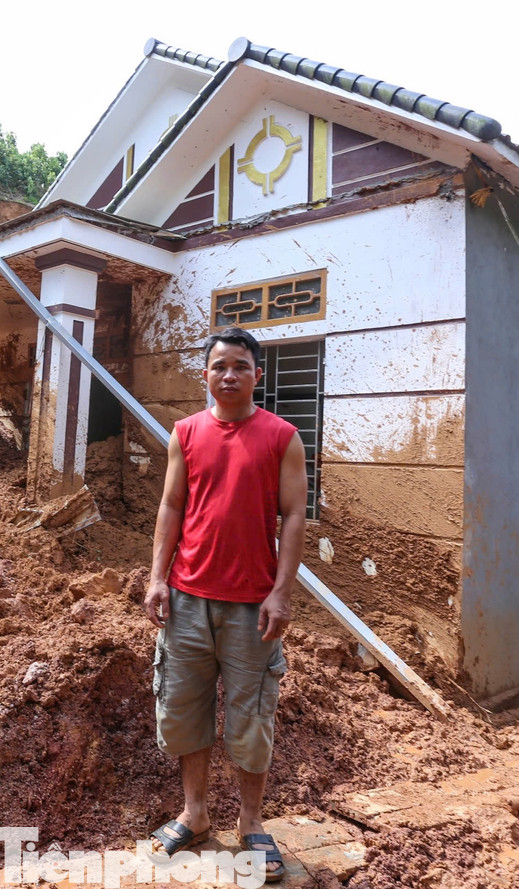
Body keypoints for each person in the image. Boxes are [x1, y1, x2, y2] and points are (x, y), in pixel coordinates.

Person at [142, 325, 308, 883]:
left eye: (240, 365)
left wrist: (283, 591)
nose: (229, 375)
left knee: (251, 715)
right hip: (186, 599)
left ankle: (252, 823)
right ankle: (194, 813)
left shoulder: (282, 437)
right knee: (185, 710)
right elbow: (170, 506)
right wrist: (157, 578)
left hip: (251, 606)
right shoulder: (185, 433)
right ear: (206, 374)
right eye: (219, 366)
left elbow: (293, 517)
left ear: (257, 374)